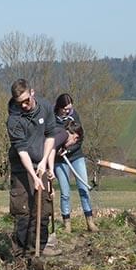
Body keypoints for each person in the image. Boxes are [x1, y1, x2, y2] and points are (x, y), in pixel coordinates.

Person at [6, 79, 60, 258]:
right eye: (20, 102)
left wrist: (45, 162)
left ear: (32, 93)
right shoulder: (14, 119)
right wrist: (34, 176)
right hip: (22, 167)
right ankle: (20, 253)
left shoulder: (45, 107)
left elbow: (51, 136)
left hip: (40, 162)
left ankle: (36, 251)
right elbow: (22, 151)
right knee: (24, 209)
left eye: (26, 100)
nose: (24, 105)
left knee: (43, 211)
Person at [50, 93, 98, 233]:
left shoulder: (74, 115)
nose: (68, 111)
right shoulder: (52, 118)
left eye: (69, 108)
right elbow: (50, 138)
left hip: (76, 156)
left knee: (83, 188)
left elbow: (79, 137)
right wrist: (58, 150)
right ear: (59, 107)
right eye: (65, 109)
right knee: (65, 192)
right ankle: (67, 225)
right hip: (59, 160)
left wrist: (68, 149)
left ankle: (90, 222)